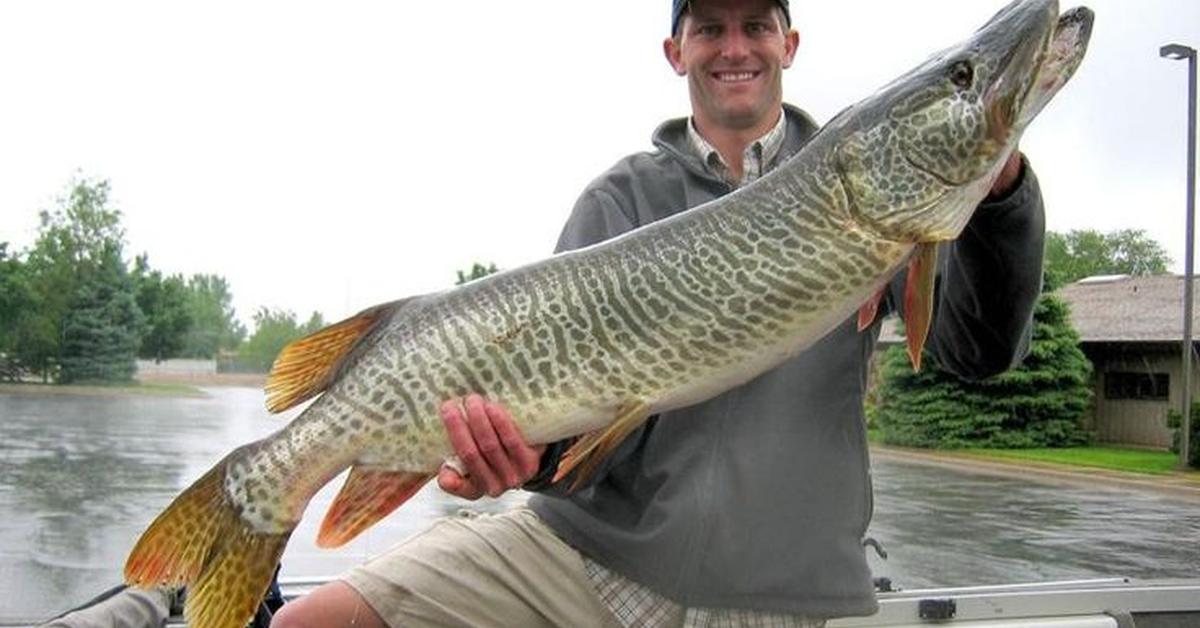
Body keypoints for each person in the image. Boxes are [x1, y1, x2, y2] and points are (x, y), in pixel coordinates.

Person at [273, 0, 1044, 626]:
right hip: (598, 560)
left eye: (754, 25)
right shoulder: (619, 199)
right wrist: (516, 462)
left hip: (793, 587)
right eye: (709, 27)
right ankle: (264, 496)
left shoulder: (868, 191)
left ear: (789, 43)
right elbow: (573, 434)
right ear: (677, 51)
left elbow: (979, 351)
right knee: (312, 622)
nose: (732, 46)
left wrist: (1001, 186)